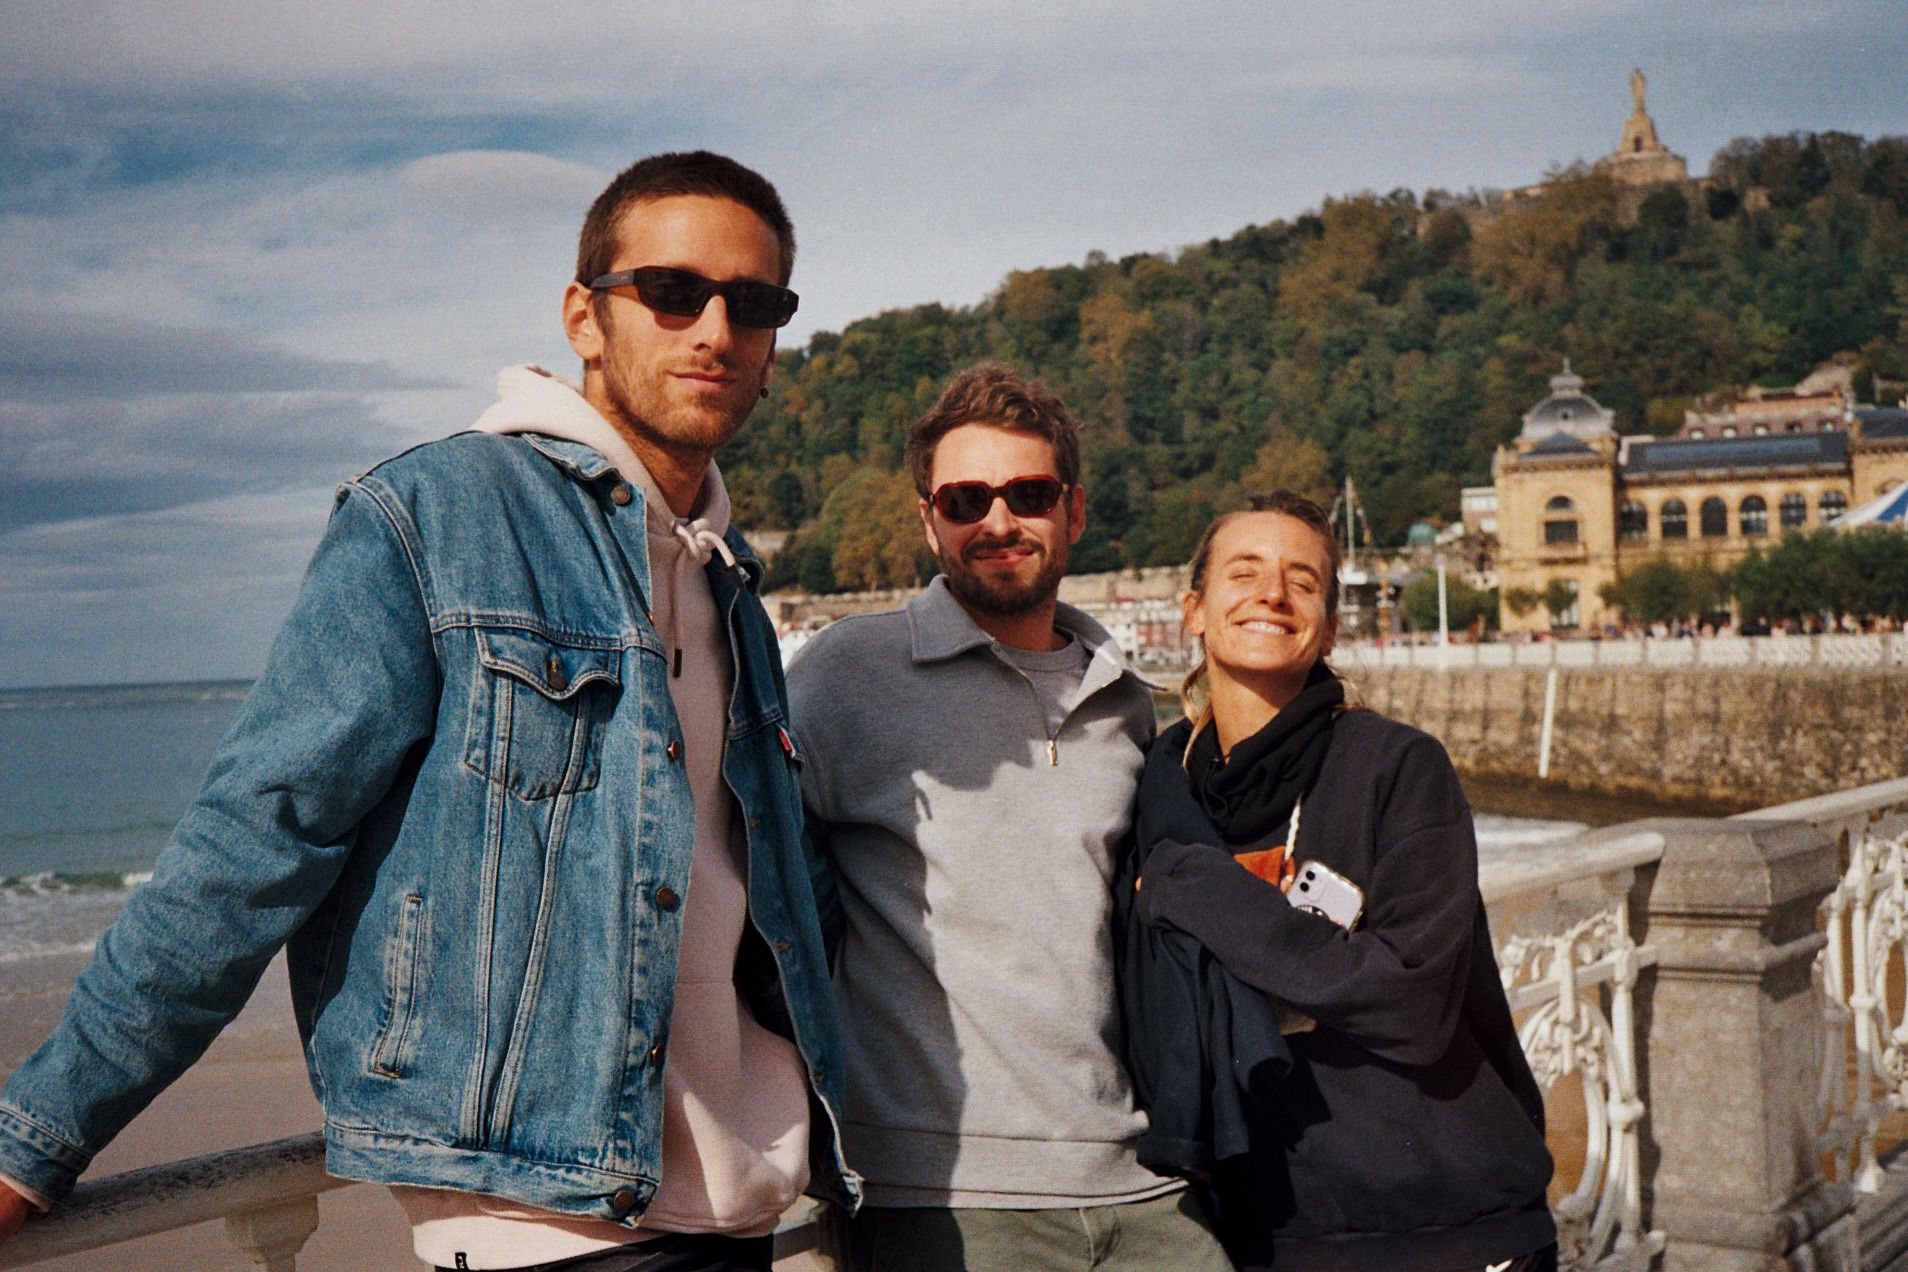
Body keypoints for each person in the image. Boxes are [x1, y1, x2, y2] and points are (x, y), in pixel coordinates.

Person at [0, 150, 858, 1272]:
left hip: (744, 1198)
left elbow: (768, 898)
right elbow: (254, 843)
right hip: (535, 1217)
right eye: (671, 291)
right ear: (585, 318)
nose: (715, 330)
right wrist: (34, 1140)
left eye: (753, 304)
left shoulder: (730, 581)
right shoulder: (435, 515)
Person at [787, 362, 1231, 1271]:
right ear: (929, 520)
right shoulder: (847, 676)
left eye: (1029, 494)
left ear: (1073, 510)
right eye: (966, 500)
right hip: (946, 1196)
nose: (998, 521)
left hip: (1148, 1175)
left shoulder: (1125, 701)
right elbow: (740, 881)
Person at [1126, 491, 1556, 1272]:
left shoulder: (1398, 767)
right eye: (1243, 574)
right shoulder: (1165, 781)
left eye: (1302, 581)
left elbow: (1414, 998)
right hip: (1259, 1227)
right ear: (1194, 611)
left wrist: (1206, 893)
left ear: (1327, 627)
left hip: (1442, 1228)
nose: (1272, 594)